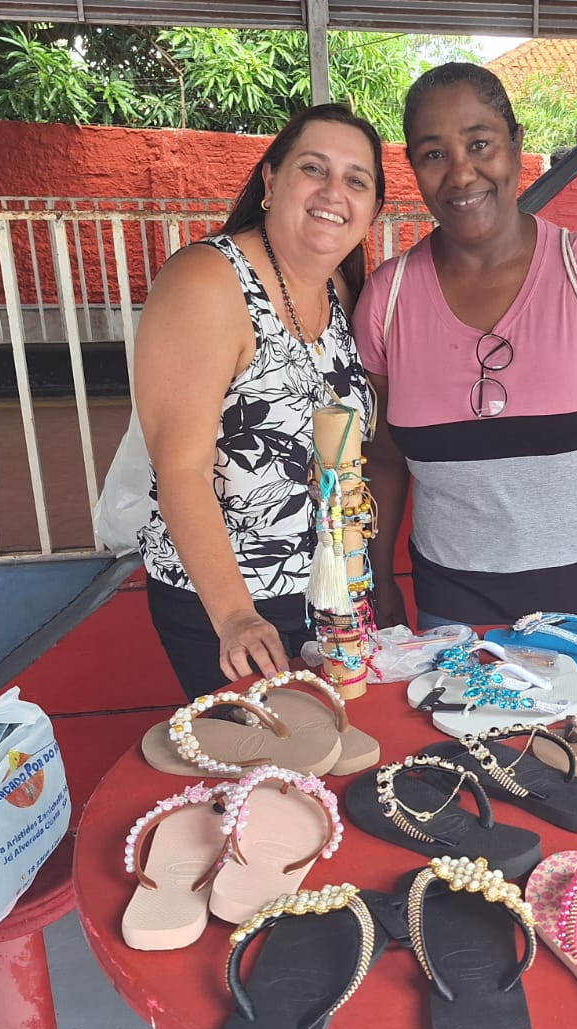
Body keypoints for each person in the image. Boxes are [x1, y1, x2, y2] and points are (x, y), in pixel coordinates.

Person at [355, 63, 577, 631]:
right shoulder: (388, 298)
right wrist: (378, 582)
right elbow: (382, 457)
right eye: (434, 154)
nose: (461, 174)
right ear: (412, 166)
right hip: (452, 615)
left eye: (480, 144)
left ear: (516, 144)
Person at [132, 104, 383, 698]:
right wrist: (236, 616)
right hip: (235, 610)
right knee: (269, 777)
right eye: (313, 169)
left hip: (332, 595)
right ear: (271, 181)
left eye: (356, 180)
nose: (333, 192)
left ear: (372, 210)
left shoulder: (341, 288)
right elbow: (181, 469)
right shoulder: (208, 280)